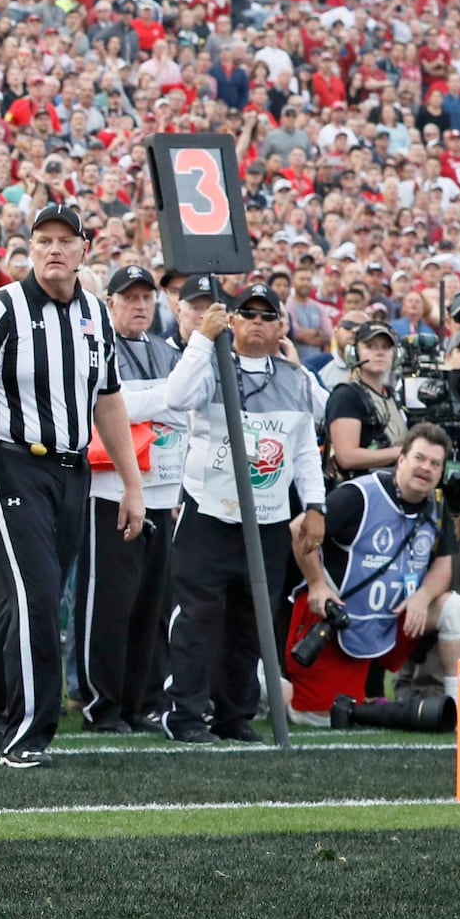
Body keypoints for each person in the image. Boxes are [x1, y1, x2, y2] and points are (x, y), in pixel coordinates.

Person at [0, 204, 146, 768]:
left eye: (65, 240)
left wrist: (132, 485)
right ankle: (26, 732)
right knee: (35, 596)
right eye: (43, 239)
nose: (54, 249)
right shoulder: (0, 308)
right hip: (9, 464)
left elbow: (108, 402)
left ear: (85, 248)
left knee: (37, 596)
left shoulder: (95, 316)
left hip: (72, 469)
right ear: (30, 247)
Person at [161, 283, 326, 744]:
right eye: (247, 313)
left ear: (281, 325)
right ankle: (186, 716)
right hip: (209, 513)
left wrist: (315, 506)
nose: (256, 320)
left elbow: (306, 450)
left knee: (252, 623)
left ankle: (234, 717)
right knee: (196, 617)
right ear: (232, 321)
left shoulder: (297, 380)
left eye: (266, 314)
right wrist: (201, 339)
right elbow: (176, 397)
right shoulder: (210, 365)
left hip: (269, 521)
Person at [283, 424, 460, 727]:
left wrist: (423, 597)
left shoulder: (436, 504)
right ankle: (261, 685)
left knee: (456, 609)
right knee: (318, 716)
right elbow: (299, 529)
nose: (426, 468)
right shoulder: (360, 495)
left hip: (390, 616)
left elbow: (444, 564)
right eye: (419, 458)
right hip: (337, 620)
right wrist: (317, 584)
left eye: (435, 464)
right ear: (401, 460)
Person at [74, 265, 187, 734]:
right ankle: (102, 704)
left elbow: (186, 408)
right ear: (111, 303)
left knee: (152, 605)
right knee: (109, 604)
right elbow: (107, 408)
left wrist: (150, 399)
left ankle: (141, 703)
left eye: (147, 298)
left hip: (163, 492)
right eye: (130, 297)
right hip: (109, 490)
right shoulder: (98, 347)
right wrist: (163, 397)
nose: (140, 305)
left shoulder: (165, 350)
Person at [323, 320, 408, 482]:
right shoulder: (346, 395)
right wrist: (404, 452)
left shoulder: (393, 394)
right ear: (354, 353)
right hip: (361, 490)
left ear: (396, 354)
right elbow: (347, 457)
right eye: (371, 346)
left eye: (386, 347)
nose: (380, 353)